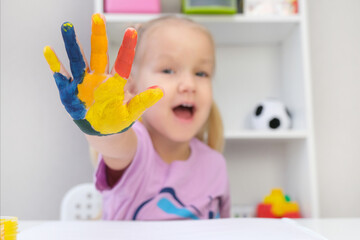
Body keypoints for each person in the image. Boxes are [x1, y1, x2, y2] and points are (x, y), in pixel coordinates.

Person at [44, 13, 230, 220]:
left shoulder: (216, 164)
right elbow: (116, 144)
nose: (189, 85)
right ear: (132, 86)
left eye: (201, 73)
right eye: (168, 70)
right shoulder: (136, 150)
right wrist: (103, 126)